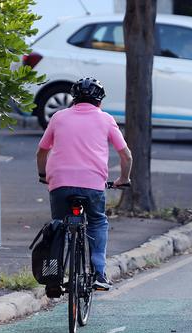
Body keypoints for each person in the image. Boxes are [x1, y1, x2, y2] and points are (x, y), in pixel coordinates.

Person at [36, 77, 132, 291]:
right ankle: (99, 274)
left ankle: (53, 277)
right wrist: (123, 179)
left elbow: (42, 151)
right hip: (92, 185)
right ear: (100, 100)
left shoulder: (59, 117)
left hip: (59, 182)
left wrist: (43, 175)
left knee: (58, 225)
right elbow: (126, 156)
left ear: (74, 98)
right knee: (97, 222)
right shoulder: (106, 119)